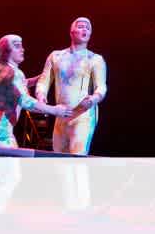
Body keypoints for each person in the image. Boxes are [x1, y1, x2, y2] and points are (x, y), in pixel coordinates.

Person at [35, 18, 107, 155]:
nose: (84, 29)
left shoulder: (95, 59)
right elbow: (43, 81)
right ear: (71, 31)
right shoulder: (55, 56)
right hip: (61, 114)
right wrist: (41, 96)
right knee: (60, 161)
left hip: (82, 115)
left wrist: (93, 99)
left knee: (77, 159)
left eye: (88, 28)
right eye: (80, 26)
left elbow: (101, 87)